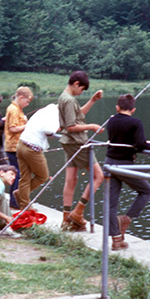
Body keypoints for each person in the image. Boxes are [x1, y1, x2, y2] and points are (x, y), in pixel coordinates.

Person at [104, 94, 150, 251]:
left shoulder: (111, 120)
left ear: (117, 107)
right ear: (133, 109)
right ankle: (127, 219)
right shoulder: (135, 122)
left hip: (109, 163)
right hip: (125, 165)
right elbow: (139, 144)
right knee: (146, 191)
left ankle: (116, 240)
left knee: (111, 204)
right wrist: (149, 145)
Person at [58, 70, 104, 231]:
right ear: (76, 84)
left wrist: (92, 101)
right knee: (99, 176)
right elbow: (71, 127)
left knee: (71, 179)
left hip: (68, 143)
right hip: (77, 143)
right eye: (82, 89)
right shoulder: (69, 100)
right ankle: (78, 212)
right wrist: (91, 126)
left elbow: (77, 116)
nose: (81, 92)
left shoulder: (64, 97)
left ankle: (66, 219)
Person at [16, 103, 59, 211]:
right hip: (32, 148)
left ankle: (24, 204)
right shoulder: (55, 114)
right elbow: (49, 130)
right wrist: (58, 128)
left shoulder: (42, 111)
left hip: (21, 144)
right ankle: (21, 195)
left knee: (24, 178)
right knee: (43, 176)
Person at [4, 87, 33, 208]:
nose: (27, 104)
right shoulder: (14, 110)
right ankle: (16, 202)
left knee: (17, 174)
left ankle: (14, 202)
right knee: (19, 175)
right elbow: (12, 129)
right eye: (26, 101)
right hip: (14, 147)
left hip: (16, 146)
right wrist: (28, 125)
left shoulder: (17, 109)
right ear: (21, 97)